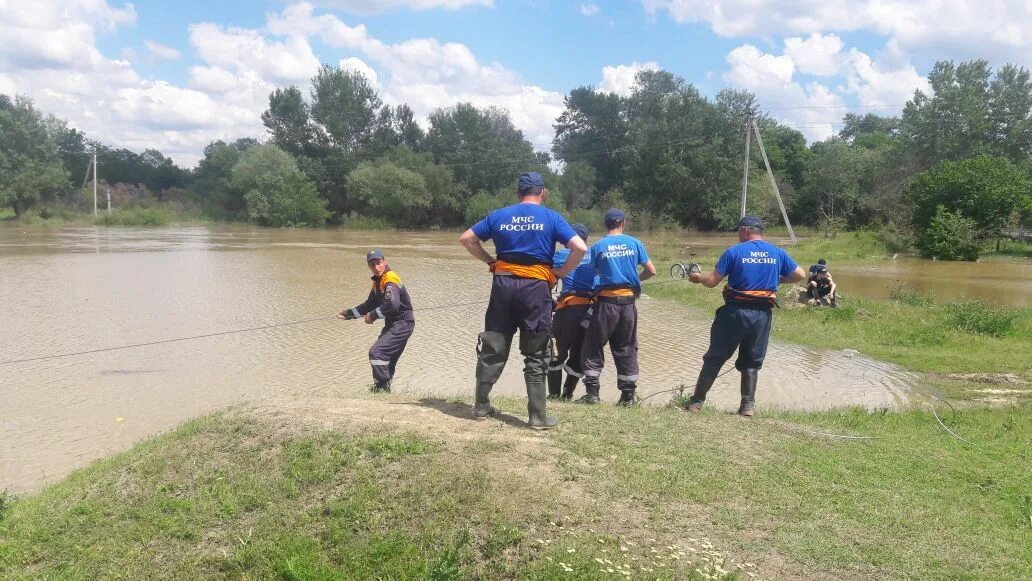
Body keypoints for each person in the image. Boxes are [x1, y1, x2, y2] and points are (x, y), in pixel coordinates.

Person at [459, 172, 587, 429]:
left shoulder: (499, 215)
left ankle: (481, 406)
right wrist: (561, 272)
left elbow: (467, 239)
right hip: (535, 289)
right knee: (536, 352)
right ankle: (537, 417)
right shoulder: (551, 217)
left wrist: (490, 261)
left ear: (518, 194)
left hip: (503, 286)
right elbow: (579, 248)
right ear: (543, 193)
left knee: (493, 346)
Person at [684, 216, 805, 417]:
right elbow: (800, 274)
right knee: (751, 362)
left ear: (746, 231)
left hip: (735, 313)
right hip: (762, 316)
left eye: (739, 231)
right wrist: (776, 280)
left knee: (715, 357)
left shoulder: (734, 252)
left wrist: (697, 278)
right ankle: (747, 406)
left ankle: (696, 403)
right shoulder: (777, 253)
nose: (738, 234)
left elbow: (712, 281)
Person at [579, 209, 657, 406]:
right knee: (626, 347)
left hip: (605, 304)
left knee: (593, 345)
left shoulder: (597, 247)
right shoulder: (635, 243)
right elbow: (651, 271)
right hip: (628, 304)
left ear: (605, 224)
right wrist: (634, 280)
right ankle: (628, 397)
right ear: (623, 223)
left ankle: (592, 394)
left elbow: (593, 272)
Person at [337, 250, 415, 393]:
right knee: (387, 358)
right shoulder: (378, 282)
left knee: (377, 352)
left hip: (403, 323)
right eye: (372, 265)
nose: (376, 267)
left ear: (384, 262)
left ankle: (381, 388)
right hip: (393, 323)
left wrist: (372, 316)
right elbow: (369, 305)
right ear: (369, 266)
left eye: (378, 263)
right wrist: (348, 314)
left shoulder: (391, 279)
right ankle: (384, 390)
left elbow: (392, 304)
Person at [548, 223, 597, 401]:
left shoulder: (560, 255)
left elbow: (544, 278)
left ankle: (553, 395)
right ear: (587, 239)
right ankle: (567, 394)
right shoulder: (596, 255)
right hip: (591, 312)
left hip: (568, 310)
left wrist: (549, 300)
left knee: (555, 352)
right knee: (579, 354)